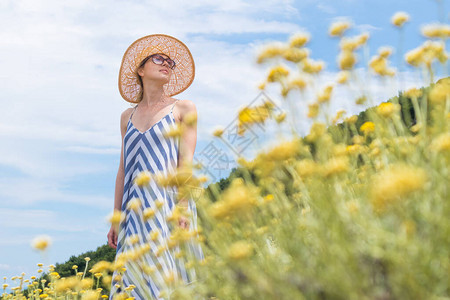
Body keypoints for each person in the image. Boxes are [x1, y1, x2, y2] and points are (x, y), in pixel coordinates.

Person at [107, 34, 204, 299]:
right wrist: (116, 218)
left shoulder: (183, 108)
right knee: (130, 282)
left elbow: (186, 163)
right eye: (158, 59)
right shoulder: (127, 117)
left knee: (167, 279)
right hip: (134, 210)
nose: (167, 64)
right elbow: (123, 170)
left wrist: (183, 207)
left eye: (170, 62)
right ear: (140, 69)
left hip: (167, 205)